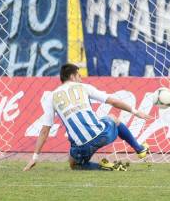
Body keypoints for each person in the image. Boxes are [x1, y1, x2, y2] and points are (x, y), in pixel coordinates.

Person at [23, 63, 152, 172]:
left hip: (81, 146)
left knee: (74, 164)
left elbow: (45, 130)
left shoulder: (51, 96)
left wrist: (34, 157)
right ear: (72, 76)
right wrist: (136, 112)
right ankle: (139, 149)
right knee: (113, 117)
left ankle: (103, 167)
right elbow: (113, 101)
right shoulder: (84, 87)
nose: (81, 79)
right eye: (79, 76)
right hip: (103, 135)